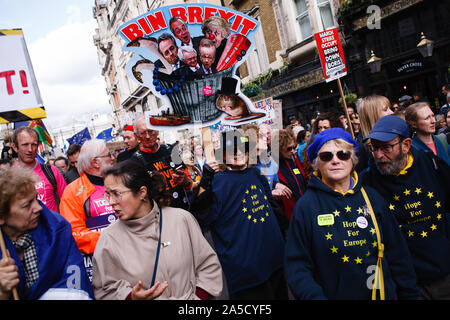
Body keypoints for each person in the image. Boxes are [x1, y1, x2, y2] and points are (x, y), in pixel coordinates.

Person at [285, 128, 420, 300]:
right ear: (316, 163)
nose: (335, 161)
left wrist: (409, 294)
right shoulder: (306, 207)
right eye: (326, 156)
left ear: (353, 159)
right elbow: (297, 266)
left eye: (343, 154)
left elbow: (398, 254)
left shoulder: (372, 198)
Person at [92, 161, 222, 300]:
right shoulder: (109, 238)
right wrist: (131, 297)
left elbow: (208, 266)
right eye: (107, 194)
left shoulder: (181, 219)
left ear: (142, 192)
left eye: (116, 194)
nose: (111, 202)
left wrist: (198, 298)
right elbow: (104, 290)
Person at [190, 129, 288, 300]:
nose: (239, 153)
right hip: (246, 266)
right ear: (223, 155)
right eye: (232, 149)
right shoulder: (218, 181)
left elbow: (272, 208)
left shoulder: (255, 173)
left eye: (243, 148)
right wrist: (205, 181)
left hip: (274, 259)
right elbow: (202, 216)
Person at [362, 115, 450, 299]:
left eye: (386, 147)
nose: (378, 155)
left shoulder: (431, 165)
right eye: (374, 147)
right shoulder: (367, 182)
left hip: (443, 274)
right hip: (405, 284)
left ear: (406, 145)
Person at [0, 167, 93, 300]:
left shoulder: (57, 229)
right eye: (27, 205)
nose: (38, 208)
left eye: (36, 199)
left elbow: (76, 282)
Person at [59, 139, 116, 281]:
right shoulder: (72, 191)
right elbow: (74, 233)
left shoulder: (121, 180)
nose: (113, 158)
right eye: (108, 155)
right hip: (99, 266)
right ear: (95, 162)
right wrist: (113, 239)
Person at [130, 115, 192, 210]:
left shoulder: (171, 150)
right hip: (160, 217)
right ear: (136, 136)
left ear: (157, 130)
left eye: (150, 131)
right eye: (142, 133)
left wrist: (185, 181)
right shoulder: (136, 161)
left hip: (184, 209)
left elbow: (189, 182)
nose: (147, 136)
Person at [11, 127, 66, 213]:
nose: (30, 149)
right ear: (15, 147)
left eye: (34, 144)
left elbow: (67, 202)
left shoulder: (51, 171)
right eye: (25, 145)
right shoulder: (8, 176)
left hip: (52, 225)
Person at [273, 129, 306, 221]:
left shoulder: (294, 160)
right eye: (288, 148)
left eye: (293, 147)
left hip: (305, 209)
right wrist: (275, 185)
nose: (292, 151)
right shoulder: (272, 165)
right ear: (279, 148)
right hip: (289, 216)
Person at [405, 102, 450, 166]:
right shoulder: (410, 150)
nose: (433, 121)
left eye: (432, 116)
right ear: (414, 124)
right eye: (427, 118)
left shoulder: (441, 141)